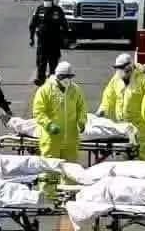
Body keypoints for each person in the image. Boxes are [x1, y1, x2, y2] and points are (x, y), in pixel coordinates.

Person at [32, 61, 87, 196]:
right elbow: (38, 111)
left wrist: (81, 121)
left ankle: (68, 197)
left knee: (71, 170)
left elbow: (82, 108)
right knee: (50, 170)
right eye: (64, 77)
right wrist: (49, 124)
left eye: (70, 77)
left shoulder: (75, 90)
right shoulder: (45, 90)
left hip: (71, 139)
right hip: (52, 140)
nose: (67, 80)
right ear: (58, 76)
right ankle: (47, 197)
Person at [97, 53, 145, 160]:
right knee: (125, 158)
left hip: (142, 130)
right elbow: (109, 96)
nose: (119, 71)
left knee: (143, 158)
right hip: (123, 129)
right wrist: (103, 109)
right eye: (117, 68)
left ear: (129, 68)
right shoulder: (116, 80)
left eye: (121, 68)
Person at [29, 0, 69, 86]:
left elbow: (64, 24)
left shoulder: (57, 10)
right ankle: (40, 78)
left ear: (52, 0)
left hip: (54, 41)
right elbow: (33, 24)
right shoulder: (39, 9)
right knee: (41, 60)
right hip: (42, 41)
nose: (47, 1)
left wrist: (65, 37)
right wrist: (31, 38)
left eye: (49, 0)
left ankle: (53, 78)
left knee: (53, 61)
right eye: (45, 0)